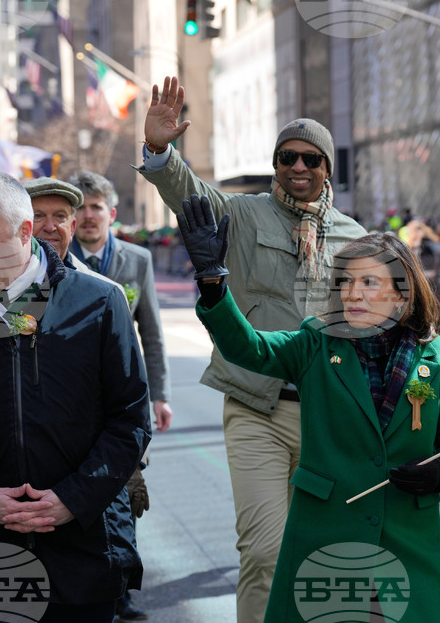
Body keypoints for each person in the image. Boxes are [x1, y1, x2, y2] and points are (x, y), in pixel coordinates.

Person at [137, 75, 366, 622]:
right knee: (265, 551)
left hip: (326, 414)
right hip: (255, 407)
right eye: (288, 156)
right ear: (276, 163)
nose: (299, 167)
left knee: (317, 553)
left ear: (327, 168)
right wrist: (160, 150)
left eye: (312, 159)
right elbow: (188, 195)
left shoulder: (355, 237)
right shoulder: (241, 214)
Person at [179, 194, 440, 622]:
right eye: (345, 282)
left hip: (409, 538)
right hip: (326, 534)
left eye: (369, 283)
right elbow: (248, 347)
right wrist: (212, 281)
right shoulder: (315, 343)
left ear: (402, 295)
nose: (353, 293)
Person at [0, 169, 150, 622]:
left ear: (23, 232)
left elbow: (131, 420)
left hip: (83, 553)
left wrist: (72, 500)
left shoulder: (99, 302)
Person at [69, 171, 173, 436]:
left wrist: (160, 396)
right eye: (80, 208)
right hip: (74, 390)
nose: (88, 216)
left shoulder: (139, 260)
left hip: (125, 389)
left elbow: (151, 333)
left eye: (96, 207)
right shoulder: (60, 261)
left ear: (111, 215)